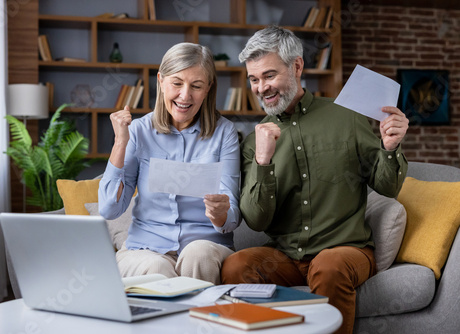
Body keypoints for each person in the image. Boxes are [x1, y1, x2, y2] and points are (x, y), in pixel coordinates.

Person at [220, 26, 409, 334]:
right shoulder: (254, 143)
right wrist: (263, 162)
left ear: (297, 66)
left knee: (329, 266)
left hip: (345, 250)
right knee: (235, 265)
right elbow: (255, 219)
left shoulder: (346, 116)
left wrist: (390, 149)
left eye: (269, 75)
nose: (260, 88)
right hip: (285, 258)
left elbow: (387, 187)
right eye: (253, 79)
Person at [99, 42, 240, 285]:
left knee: (199, 255)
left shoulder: (224, 133)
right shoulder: (139, 131)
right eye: (177, 83)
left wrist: (220, 214)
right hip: (144, 249)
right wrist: (120, 143)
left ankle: (199, 322)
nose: (185, 96)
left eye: (196, 86)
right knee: (156, 267)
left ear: (208, 89)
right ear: (161, 81)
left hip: (206, 246)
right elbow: (109, 210)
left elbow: (232, 216)